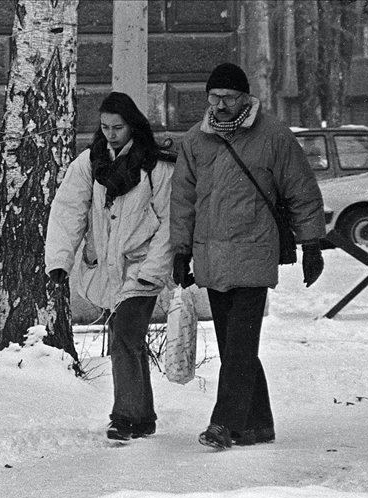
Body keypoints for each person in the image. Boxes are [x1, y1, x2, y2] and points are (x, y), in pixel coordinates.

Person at [170, 62, 326, 450]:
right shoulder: (195, 141)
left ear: (244, 98)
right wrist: (181, 250)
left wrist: (311, 245)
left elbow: (301, 189)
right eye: (214, 97)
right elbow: (183, 201)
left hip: (255, 253)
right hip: (212, 256)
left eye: (229, 97)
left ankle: (224, 423)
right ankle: (258, 424)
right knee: (233, 346)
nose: (220, 105)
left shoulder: (272, 135)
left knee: (239, 345)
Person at [46, 92, 176, 441]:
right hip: (105, 268)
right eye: (104, 127)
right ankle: (144, 416)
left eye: (118, 127)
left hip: (141, 267)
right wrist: (60, 259)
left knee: (124, 337)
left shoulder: (157, 167)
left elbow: (170, 223)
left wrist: (155, 267)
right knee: (127, 339)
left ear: (133, 125)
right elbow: (68, 211)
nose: (111, 134)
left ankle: (124, 416)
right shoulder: (90, 163)